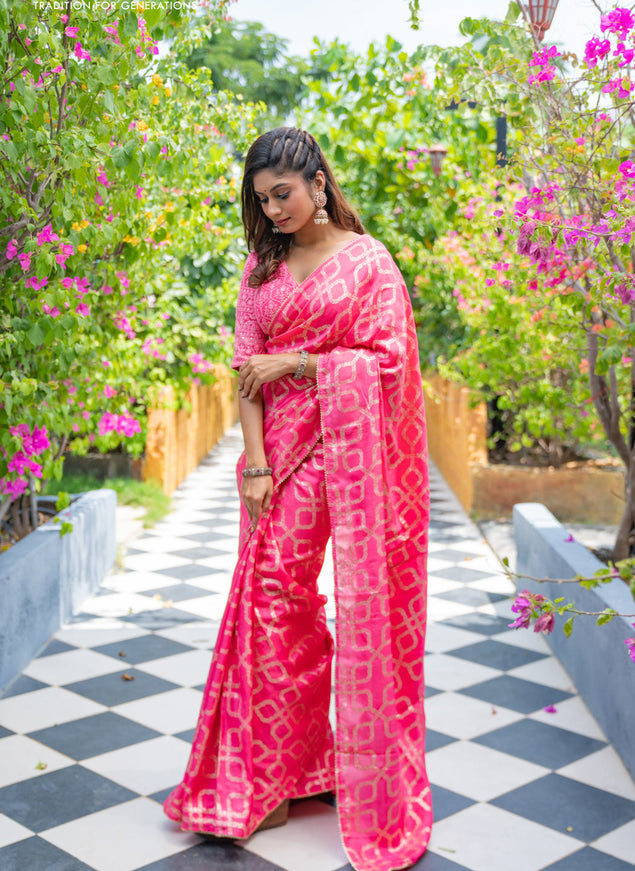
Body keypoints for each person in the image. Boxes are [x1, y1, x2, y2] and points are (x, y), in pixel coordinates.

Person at [163, 127, 433, 871]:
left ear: (317, 183)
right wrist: (254, 464)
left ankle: (320, 765)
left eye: (282, 193)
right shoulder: (262, 269)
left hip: (342, 448)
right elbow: (247, 372)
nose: (273, 210)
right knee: (272, 597)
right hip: (278, 452)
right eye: (261, 200)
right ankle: (284, 768)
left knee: (305, 593)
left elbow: (387, 364)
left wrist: (303, 363)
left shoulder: (368, 262)